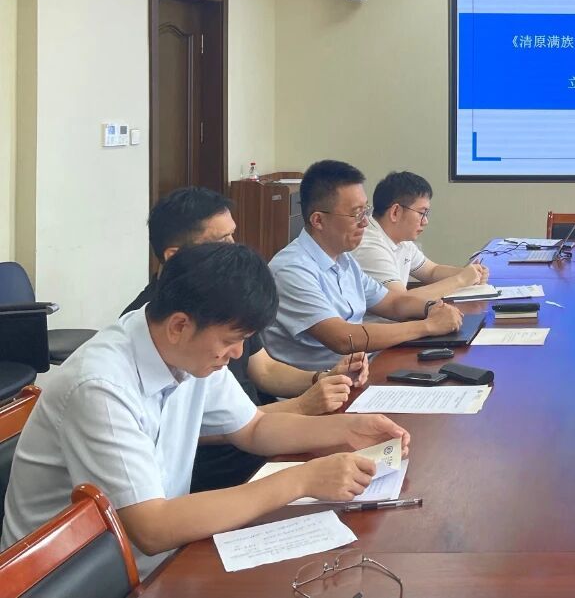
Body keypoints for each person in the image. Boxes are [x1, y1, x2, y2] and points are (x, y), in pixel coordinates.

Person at [2, 243, 410, 578]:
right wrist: (301, 480)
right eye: (232, 340)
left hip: (150, 560)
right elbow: (153, 528)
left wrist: (348, 429)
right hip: (64, 578)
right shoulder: (101, 386)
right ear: (180, 325)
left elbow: (252, 428)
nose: (237, 353)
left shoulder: (184, 348)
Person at [122, 186, 369, 492]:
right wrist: (302, 406)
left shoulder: (221, 304)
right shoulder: (160, 330)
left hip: (256, 443)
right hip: (218, 470)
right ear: (174, 257)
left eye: (233, 235)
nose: (233, 248)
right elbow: (194, 430)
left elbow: (263, 371)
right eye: (220, 241)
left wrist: (322, 378)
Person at [263, 159, 464, 370]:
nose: (365, 222)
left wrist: (432, 308)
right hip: (322, 382)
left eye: (365, 210)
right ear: (318, 220)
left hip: (363, 368)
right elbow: (344, 338)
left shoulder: (344, 259)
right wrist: (428, 326)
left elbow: (393, 303)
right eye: (356, 214)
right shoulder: (292, 269)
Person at [352, 170, 489, 298]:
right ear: (395, 212)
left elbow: (431, 271)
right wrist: (461, 280)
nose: (425, 221)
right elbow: (400, 301)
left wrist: (470, 273)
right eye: (422, 213)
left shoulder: (401, 240)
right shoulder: (370, 246)